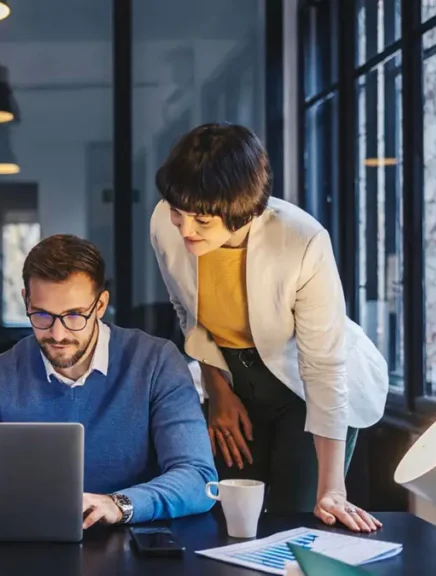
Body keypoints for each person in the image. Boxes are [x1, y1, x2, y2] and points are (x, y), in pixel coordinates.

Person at [148, 122, 388, 532]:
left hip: (306, 384)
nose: (185, 230)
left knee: (294, 520)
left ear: (244, 212)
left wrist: (334, 489)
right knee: (227, 516)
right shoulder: (166, 224)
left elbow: (324, 366)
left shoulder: (302, 241)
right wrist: (218, 390)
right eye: (178, 213)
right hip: (234, 376)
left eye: (202, 221)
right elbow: (188, 313)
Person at [0, 234, 216, 529]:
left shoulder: (155, 361)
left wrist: (118, 504)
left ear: (101, 304)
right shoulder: (1, 372)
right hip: (34, 540)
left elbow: (199, 478)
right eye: (42, 315)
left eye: (75, 315)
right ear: (25, 300)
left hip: (133, 539)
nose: (58, 335)